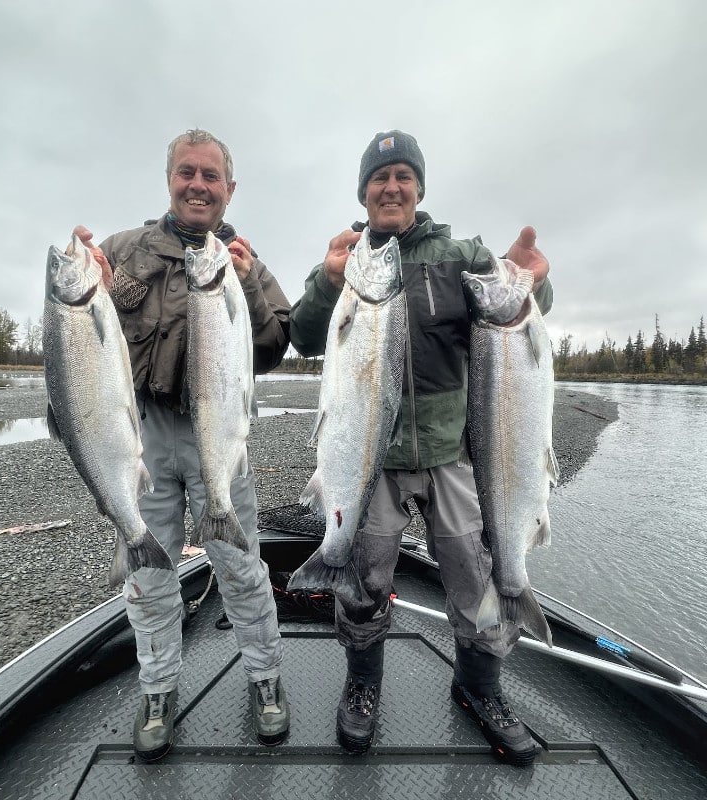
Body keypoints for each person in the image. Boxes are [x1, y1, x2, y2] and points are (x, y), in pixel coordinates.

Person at [288, 130, 552, 765]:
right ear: (364, 191)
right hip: (369, 461)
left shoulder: (459, 253)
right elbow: (300, 333)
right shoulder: (346, 258)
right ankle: (362, 684)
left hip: (452, 453)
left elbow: (517, 316)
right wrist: (327, 282)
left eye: (403, 175)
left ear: (419, 188)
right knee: (363, 574)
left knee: (474, 572)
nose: (391, 187)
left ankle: (479, 687)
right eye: (380, 178)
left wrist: (532, 281)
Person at [74, 128, 291, 761]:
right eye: (186, 173)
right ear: (170, 179)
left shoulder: (243, 259)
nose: (198, 185)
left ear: (229, 188)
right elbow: (87, 344)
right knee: (147, 574)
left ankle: (266, 678)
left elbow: (277, 345)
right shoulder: (124, 251)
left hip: (218, 438)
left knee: (243, 568)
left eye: (211, 176)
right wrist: (97, 290)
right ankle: (158, 688)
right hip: (144, 436)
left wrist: (247, 283)